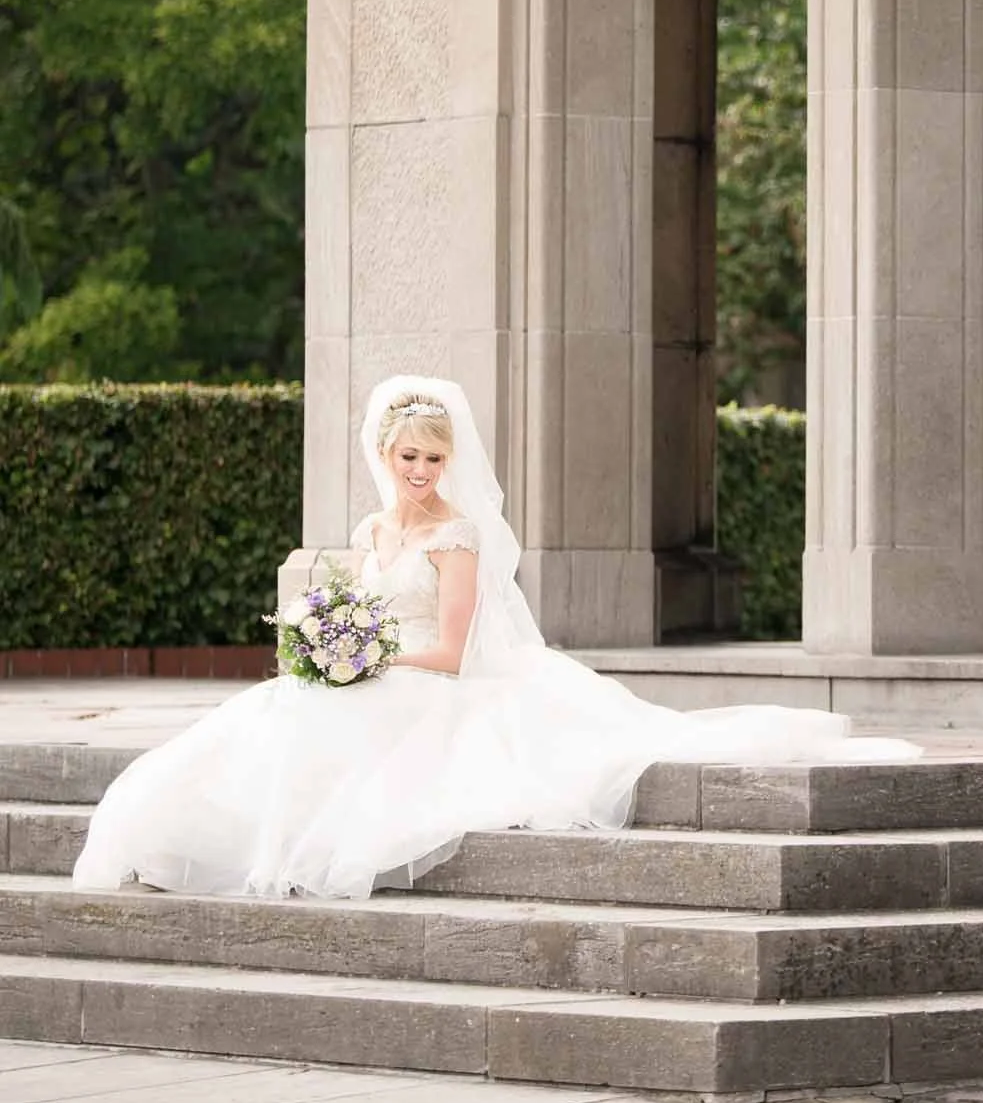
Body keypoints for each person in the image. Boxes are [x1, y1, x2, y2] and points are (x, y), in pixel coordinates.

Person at [73, 374, 916, 900]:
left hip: (421, 680)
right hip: (365, 672)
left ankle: (274, 858)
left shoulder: (457, 538)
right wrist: (329, 649)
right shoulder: (370, 534)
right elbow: (356, 612)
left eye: (433, 460)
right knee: (266, 720)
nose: (420, 472)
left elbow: (444, 652)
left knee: (330, 731)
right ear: (384, 452)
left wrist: (365, 658)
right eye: (408, 456)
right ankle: (174, 847)